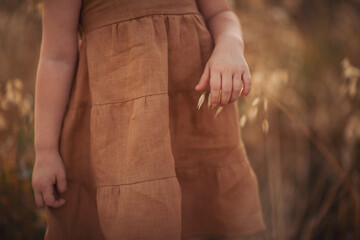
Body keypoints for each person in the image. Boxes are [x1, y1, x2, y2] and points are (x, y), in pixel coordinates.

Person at [31, 0, 266, 239]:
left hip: (194, 124)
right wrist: (46, 150)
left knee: (205, 220)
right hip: (118, 138)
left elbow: (221, 13)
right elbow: (56, 57)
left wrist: (230, 46)